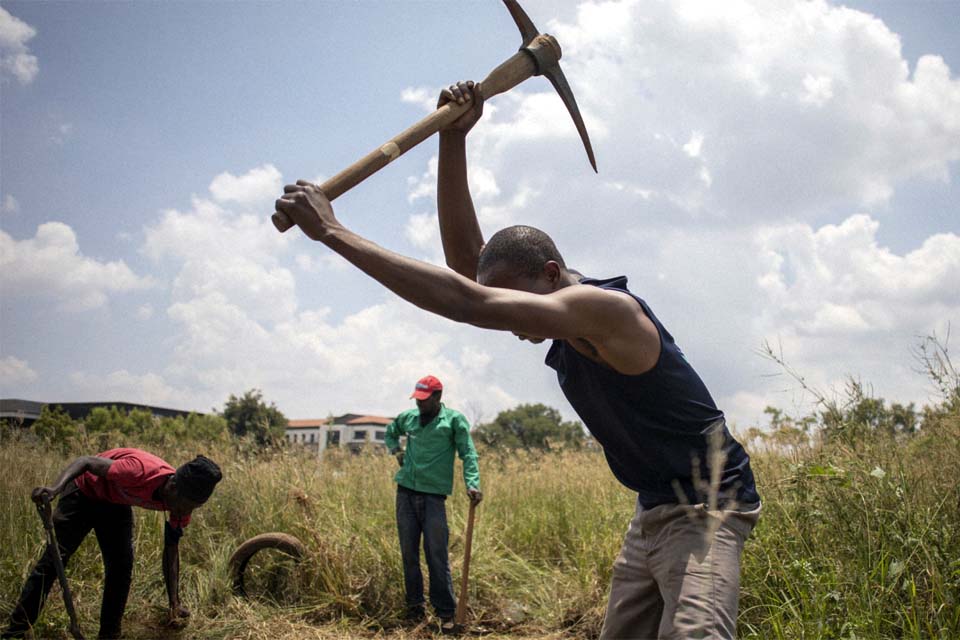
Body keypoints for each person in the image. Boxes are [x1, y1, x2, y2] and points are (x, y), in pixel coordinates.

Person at [274, 79, 760, 639]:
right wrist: (452, 139)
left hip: (708, 508)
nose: (511, 322)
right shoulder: (556, 309)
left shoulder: (607, 312)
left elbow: (470, 301)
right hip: (652, 511)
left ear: (551, 275)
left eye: (515, 301)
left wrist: (332, 231)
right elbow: (466, 269)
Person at [3, 448, 222, 639]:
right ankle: (15, 631)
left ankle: (109, 634)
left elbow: (171, 550)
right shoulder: (138, 471)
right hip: (83, 492)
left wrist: (174, 601)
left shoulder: (181, 505)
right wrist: (55, 489)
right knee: (53, 562)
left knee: (121, 568)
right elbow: (85, 462)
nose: (186, 513)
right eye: (186, 506)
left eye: (194, 508)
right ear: (172, 486)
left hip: (115, 502)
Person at [384, 375, 481, 633]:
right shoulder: (409, 418)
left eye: (425, 400)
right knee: (409, 554)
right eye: (417, 399)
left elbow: (468, 453)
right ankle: (414, 608)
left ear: (438, 397)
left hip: (433, 497)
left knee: (436, 555)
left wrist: (472, 483)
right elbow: (390, 432)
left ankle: (446, 612)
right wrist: (396, 450)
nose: (420, 405)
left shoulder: (453, 421)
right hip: (405, 492)